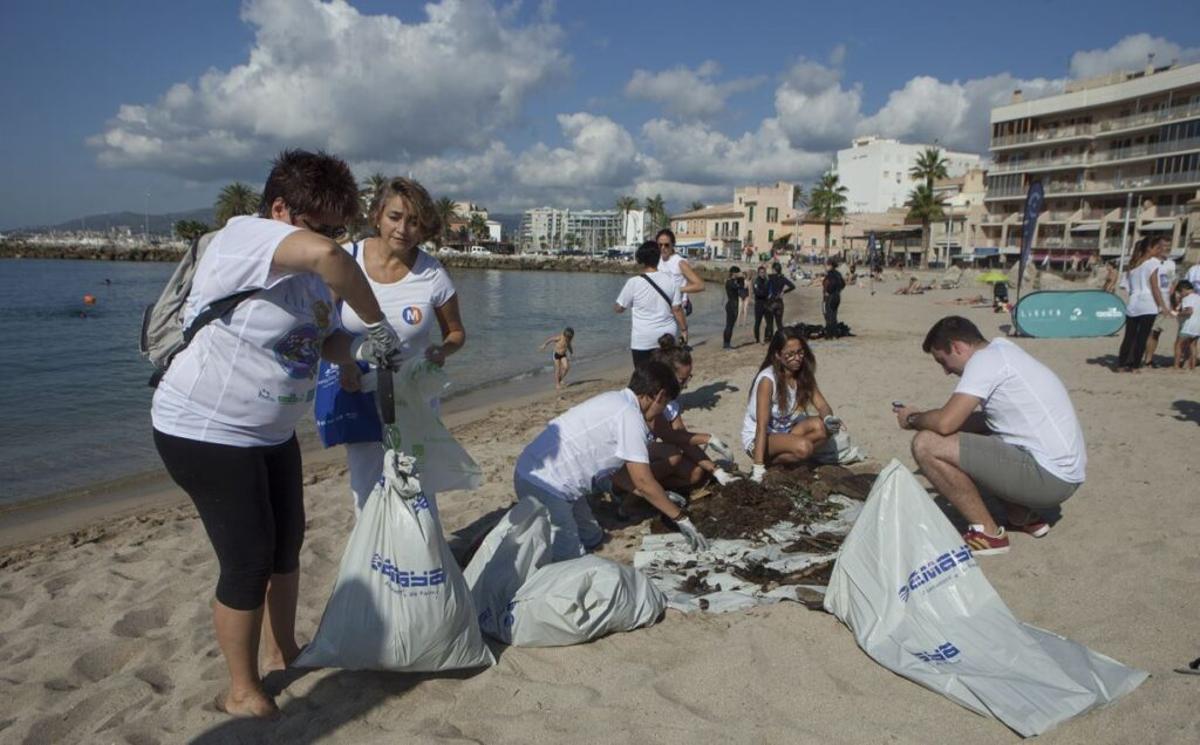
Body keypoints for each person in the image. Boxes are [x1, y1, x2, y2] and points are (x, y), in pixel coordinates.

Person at [151, 149, 399, 719]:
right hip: (205, 429)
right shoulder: (246, 239)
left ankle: (284, 648)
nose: (336, 239)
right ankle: (242, 688)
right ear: (281, 209)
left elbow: (325, 336)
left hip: (270, 433)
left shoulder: (310, 273)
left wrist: (358, 354)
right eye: (325, 225)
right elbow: (330, 256)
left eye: (341, 226)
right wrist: (380, 322)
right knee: (247, 559)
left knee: (286, 546)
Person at [896, 316, 1086, 555]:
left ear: (957, 347)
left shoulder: (984, 361)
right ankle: (1021, 515)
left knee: (926, 444)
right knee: (977, 430)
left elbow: (945, 424)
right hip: (1065, 474)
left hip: (1049, 478)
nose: (946, 371)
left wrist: (913, 419)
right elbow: (976, 422)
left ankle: (987, 534)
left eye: (943, 361)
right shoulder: (1003, 351)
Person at [333, 177, 466, 512]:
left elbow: (456, 332)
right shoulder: (345, 260)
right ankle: (373, 561)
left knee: (416, 487)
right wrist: (346, 363)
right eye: (395, 217)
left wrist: (442, 350)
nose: (403, 229)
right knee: (366, 490)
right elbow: (320, 328)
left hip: (414, 396)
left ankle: (420, 560)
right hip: (358, 394)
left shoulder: (432, 274)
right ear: (377, 215)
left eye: (414, 221)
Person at [513, 361, 708, 559]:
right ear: (659, 396)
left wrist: (662, 495)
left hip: (538, 472)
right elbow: (643, 482)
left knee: (593, 537)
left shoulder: (614, 399)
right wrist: (681, 519)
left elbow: (618, 474)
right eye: (665, 404)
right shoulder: (630, 417)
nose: (662, 413)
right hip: (545, 485)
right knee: (570, 559)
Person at [630, 336, 740, 495]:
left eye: (689, 378)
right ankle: (636, 491)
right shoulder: (651, 400)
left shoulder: (672, 404)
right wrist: (708, 438)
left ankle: (659, 489)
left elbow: (683, 438)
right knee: (673, 455)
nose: (686, 384)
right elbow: (670, 436)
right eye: (682, 380)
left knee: (695, 472)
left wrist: (716, 470)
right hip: (631, 456)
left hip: (648, 455)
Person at [743, 326, 839, 483]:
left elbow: (822, 405)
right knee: (804, 448)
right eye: (790, 354)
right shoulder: (768, 380)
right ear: (778, 355)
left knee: (824, 427)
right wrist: (758, 468)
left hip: (786, 432)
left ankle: (789, 458)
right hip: (759, 440)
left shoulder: (802, 375)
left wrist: (829, 418)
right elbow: (761, 426)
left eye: (800, 352)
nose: (797, 358)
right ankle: (769, 463)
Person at [615, 240, 686, 367]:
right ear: (658, 258)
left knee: (645, 377)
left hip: (643, 338)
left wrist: (618, 306)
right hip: (667, 336)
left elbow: (619, 308)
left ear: (641, 260)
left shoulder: (633, 282)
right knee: (665, 373)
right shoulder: (671, 281)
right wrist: (684, 330)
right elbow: (677, 309)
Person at [1116, 238, 1166, 372]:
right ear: (1149, 248)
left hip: (1133, 302)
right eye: (1157, 248)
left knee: (1129, 337)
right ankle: (1135, 366)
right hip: (1147, 303)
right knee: (1142, 337)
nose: (1159, 250)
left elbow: (1127, 287)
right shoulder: (1153, 263)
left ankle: (1121, 365)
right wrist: (1163, 306)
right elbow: (1155, 287)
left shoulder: (1133, 264)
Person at [1143, 238, 1176, 367]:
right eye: (1164, 245)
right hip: (1150, 302)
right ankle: (1140, 357)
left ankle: (1149, 359)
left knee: (1156, 332)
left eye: (1169, 245)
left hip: (1165, 304)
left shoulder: (1170, 264)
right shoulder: (1149, 262)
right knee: (1145, 332)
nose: (1166, 248)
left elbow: (1171, 283)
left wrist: (1171, 303)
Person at [655, 228, 705, 315]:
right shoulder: (656, 261)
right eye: (660, 245)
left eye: (666, 245)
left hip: (676, 309)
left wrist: (677, 289)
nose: (663, 248)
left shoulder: (680, 262)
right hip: (659, 308)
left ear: (673, 245)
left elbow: (700, 285)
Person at [764, 261, 797, 341]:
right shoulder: (783, 278)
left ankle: (769, 338)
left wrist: (765, 267)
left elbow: (764, 278)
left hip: (771, 302)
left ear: (774, 269)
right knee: (779, 323)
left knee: (769, 322)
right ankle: (781, 338)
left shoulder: (771, 276)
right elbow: (793, 286)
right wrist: (784, 292)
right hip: (779, 302)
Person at [1174, 280, 1198, 370]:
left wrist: (1178, 314)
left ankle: (1176, 366)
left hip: (1187, 326)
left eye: (1180, 292)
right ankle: (1192, 366)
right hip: (1197, 327)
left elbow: (1189, 311)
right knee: (1193, 346)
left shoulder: (1187, 298)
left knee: (1178, 345)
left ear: (1184, 290)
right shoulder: (1198, 297)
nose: (1180, 295)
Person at [823, 258, 846, 338]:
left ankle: (829, 334)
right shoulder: (838, 273)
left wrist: (828, 292)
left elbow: (832, 284)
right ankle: (835, 333)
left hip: (831, 296)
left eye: (827, 265)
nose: (826, 267)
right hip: (837, 296)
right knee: (834, 315)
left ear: (831, 266)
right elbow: (843, 284)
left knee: (828, 314)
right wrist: (838, 290)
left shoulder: (830, 274)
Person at [722, 266, 743, 349]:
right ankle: (726, 344)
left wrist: (740, 279)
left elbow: (741, 286)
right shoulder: (730, 282)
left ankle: (726, 343)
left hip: (733, 304)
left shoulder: (733, 281)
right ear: (734, 273)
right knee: (729, 325)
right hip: (731, 305)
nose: (739, 274)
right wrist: (741, 278)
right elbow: (739, 287)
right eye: (738, 272)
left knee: (730, 325)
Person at [751, 265, 770, 342]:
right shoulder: (756, 281)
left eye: (764, 272)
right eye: (761, 272)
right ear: (758, 273)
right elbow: (757, 293)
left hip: (766, 303)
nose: (763, 274)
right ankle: (757, 339)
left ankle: (766, 337)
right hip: (758, 304)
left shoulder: (766, 281)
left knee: (768, 322)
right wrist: (765, 293)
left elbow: (769, 291)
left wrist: (766, 293)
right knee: (757, 322)